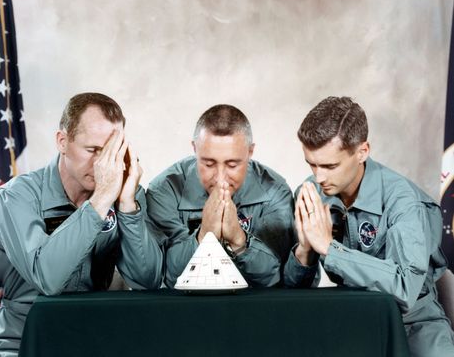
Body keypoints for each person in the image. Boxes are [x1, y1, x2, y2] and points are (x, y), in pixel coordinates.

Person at [0, 92, 163, 356]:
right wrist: (101, 199)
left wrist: (128, 206)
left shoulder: (123, 192)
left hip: (94, 341)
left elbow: (147, 282)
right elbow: (48, 278)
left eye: (112, 151)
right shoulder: (16, 197)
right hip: (24, 344)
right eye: (92, 150)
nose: (104, 164)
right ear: (62, 141)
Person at [284, 96, 454, 357]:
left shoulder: (404, 202)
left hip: (413, 323)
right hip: (349, 321)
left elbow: (405, 289)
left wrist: (331, 249)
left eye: (330, 166)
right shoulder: (312, 193)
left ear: (362, 152)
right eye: (312, 163)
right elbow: (294, 293)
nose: (319, 177)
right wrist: (305, 251)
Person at [146, 104, 295, 288]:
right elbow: (167, 277)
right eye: (209, 164)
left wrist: (240, 241)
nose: (220, 178)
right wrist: (204, 236)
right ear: (195, 149)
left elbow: (276, 279)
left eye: (232, 165)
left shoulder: (275, 191)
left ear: (250, 152)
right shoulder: (164, 191)